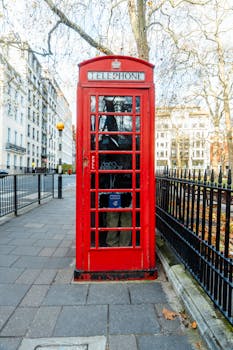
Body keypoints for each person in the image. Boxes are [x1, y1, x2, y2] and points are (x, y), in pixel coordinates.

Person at [99, 98, 132, 247]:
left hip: (114, 187)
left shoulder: (105, 145)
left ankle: (112, 243)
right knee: (125, 218)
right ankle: (124, 245)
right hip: (125, 186)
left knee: (114, 217)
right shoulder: (128, 144)